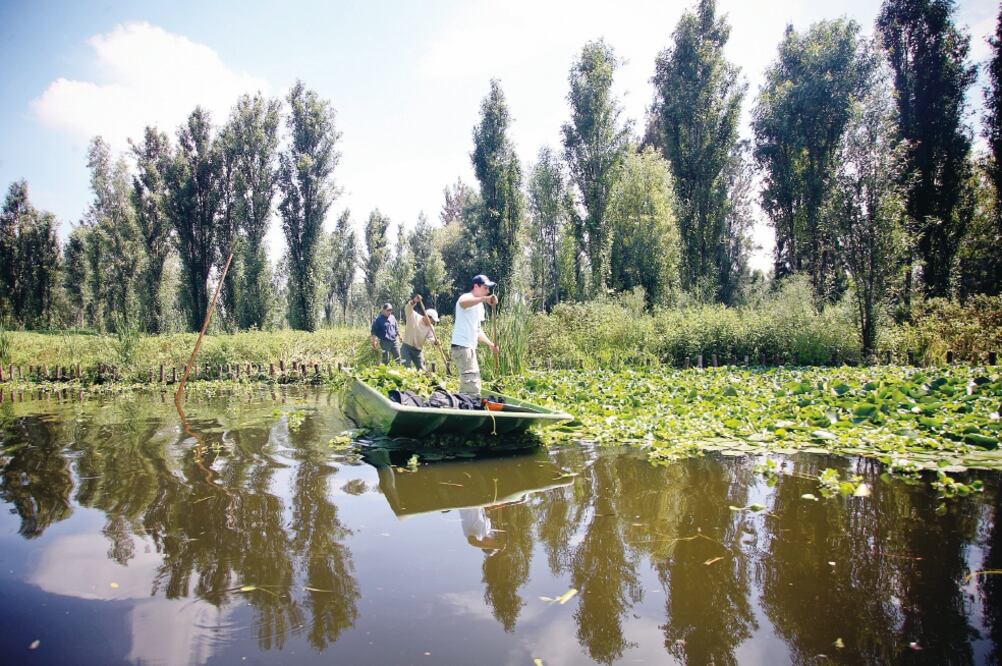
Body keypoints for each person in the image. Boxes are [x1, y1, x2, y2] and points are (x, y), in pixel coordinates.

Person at [450, 274, 499, 395]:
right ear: (476, 286)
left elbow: (477, 330)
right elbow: (462, 303)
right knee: (472, 387)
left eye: (489, 288)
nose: (487, 291)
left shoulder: (479, 306)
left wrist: (490, 344)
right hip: (462, 347)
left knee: (471, 385)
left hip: (469, 348)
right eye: (485, 287)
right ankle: (466, 410)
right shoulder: (467, 297)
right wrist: (484, 299)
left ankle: (463, 406)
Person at [401, 295, 440, 370]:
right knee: (406, 369)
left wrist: (435, 342)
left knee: (422, 369)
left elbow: (431, 338)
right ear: (427, 316)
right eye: (433, 320)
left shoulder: (430, 327)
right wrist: (414, 301)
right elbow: (408, 308)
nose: (433, 322)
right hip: (406, 347)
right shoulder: (414, 316)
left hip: (417, 350)